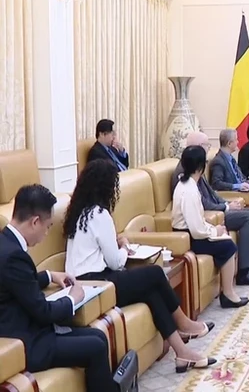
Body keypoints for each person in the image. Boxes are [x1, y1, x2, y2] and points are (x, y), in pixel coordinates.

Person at [64, 159, 217, 373]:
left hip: (84, 283)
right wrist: (125, 247)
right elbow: (116, 263)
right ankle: (184, 323)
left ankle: (182, 353)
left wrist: (114, 243)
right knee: (155, 273)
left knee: (151, 293)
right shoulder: (100, 214)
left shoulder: (80, 213)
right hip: (97, 284)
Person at [0, 185, 117, 392]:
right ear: (35, 221)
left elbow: (15, 282)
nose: (46, 234)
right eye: (47, 227)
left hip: (23, 328)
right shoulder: (14, 256)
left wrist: (49, 276)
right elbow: (43, 312)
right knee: (96, 346)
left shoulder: (5, 243)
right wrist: (73, 298)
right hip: (24, 341)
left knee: (98, 336)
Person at [175, 131, 249, 285]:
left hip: (210, 214)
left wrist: (227, 204)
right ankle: (245, 271)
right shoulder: (185, 175)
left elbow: (211, 193)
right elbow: (203, 204)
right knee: (248, 216)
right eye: (206, 146)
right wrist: (225, 209)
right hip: (209, 216)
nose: (209, 150)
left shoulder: (193, 171)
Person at [174, 146, 248, 309]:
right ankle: (228, 294)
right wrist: (215, 231)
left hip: (191, 233)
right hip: (188, 238)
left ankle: (227, 291)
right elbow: (196, 230)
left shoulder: (187, 184)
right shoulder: (189, 191)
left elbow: (197, 220)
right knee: (228, 246)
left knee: (224, 237)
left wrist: (214, 228)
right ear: (201, 166)